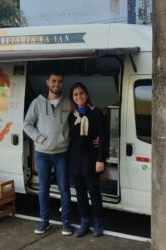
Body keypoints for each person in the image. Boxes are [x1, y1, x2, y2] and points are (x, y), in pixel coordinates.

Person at [24, 71, 73, 236]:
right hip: (42, 153)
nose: (56, 84)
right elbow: (27, 124)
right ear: (47, 82)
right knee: (43, 189)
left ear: (62, 83)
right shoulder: (37, 103)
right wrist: (39, 138)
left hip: (62, 153)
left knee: (64, 189)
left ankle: (66, 223)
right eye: (54, 81)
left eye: (60, 82)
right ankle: (44, 222)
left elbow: (81, 117)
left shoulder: (68, 102)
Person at [68, 82, 107, 237]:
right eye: (75, 94)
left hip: (91, 159)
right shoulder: (72, 116)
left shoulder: (96, 113)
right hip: (75, 160)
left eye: (81, 93)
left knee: (94, 192)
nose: (79, 97)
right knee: (80, 193)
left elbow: (104, 137)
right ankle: (84, 223)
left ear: (87, 95)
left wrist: (100, 159)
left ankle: (97, 223)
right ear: (73, 97)